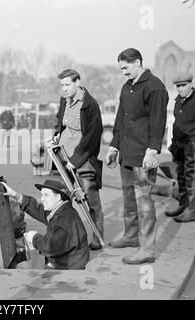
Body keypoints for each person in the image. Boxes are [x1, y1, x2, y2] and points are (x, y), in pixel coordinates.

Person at [105, 48, 169, 264]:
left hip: (143, 154)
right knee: (128, 196)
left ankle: (147, 249)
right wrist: (114, 147)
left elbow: (158, 122)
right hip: (126, 152)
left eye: (126, 67)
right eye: (121, 68)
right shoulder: (126, 87)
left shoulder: (155, 87)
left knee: (144, 200)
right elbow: (120, 119)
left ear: (138, 62)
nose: (123, 72)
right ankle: (131, 236)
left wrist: (153, 150)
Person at [52, 69, 104, 250]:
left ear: (77, 82)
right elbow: (60, 120)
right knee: (64, 200)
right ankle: (67, 238)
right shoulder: (64, 100)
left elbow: (93, 135)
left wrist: (76, 160)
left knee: (91, 200)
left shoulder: (90, 104)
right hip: (63, 158)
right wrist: (56, 134)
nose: (64, 89)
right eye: (62, 85)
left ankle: (97, 238)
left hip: (83, 159)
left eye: (67, 85)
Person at [1, 179, 90, 270]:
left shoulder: (63, 221)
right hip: (65, 259)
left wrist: (34, 237)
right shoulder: (62, 210)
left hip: (67, 269)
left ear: (58, 197)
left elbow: (49, 247)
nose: (42, 199)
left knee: (22, 268)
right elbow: (37, 210)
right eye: (42, 195)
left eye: (46, 195)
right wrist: (15, 195)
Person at [165, 72, 195, 223]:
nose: (180, 89)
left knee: (192, 177)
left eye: (183, 85)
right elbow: (177, 122)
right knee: (181, 175)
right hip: (179, 143)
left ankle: (192, 210)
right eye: (178, 86)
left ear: (191, 84)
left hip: (192, 143)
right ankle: (183, 205)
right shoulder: (178, 100)